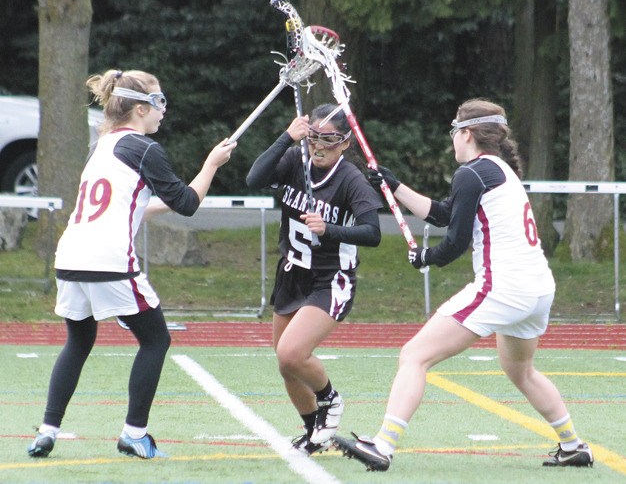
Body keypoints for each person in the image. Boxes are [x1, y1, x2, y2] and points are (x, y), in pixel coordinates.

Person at [333, 98, 593, 471]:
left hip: (503, 288)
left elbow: (453, 242)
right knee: (521, 370)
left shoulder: (471, 173)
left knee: (414, 355)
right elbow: (446, 214)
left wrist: (427, 258)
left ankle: (383, 446)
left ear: (467, 134)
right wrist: (396, 187)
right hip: (537, 289)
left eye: (454, 131)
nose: (452, 139)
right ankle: (573, 444)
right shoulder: (494, 169)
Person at [27, 69, 236, 459]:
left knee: (79, 340)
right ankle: (134, 433)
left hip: (70, 255)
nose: (163, 111)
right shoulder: (143, 148)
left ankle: (48, 431)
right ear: (140, 109)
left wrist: (193, 182)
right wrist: (211, 165)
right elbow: (187, 205)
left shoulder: (102, 145)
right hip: (109, 260)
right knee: (156, 339)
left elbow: (134, 206)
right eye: (159, 103)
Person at [246, 103, 382, 456]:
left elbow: (373, 232)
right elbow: (254, 178)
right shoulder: (295, 160)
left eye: (329, 139)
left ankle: (330, 400)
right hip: (292, 273)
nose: (319, 146)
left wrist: (331, 229)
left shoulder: (350, 179)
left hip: (329, 278)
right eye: (314, 137)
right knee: (286, 365)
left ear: (345, 143)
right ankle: (314, 432)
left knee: (293, 353)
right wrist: (287, 137)